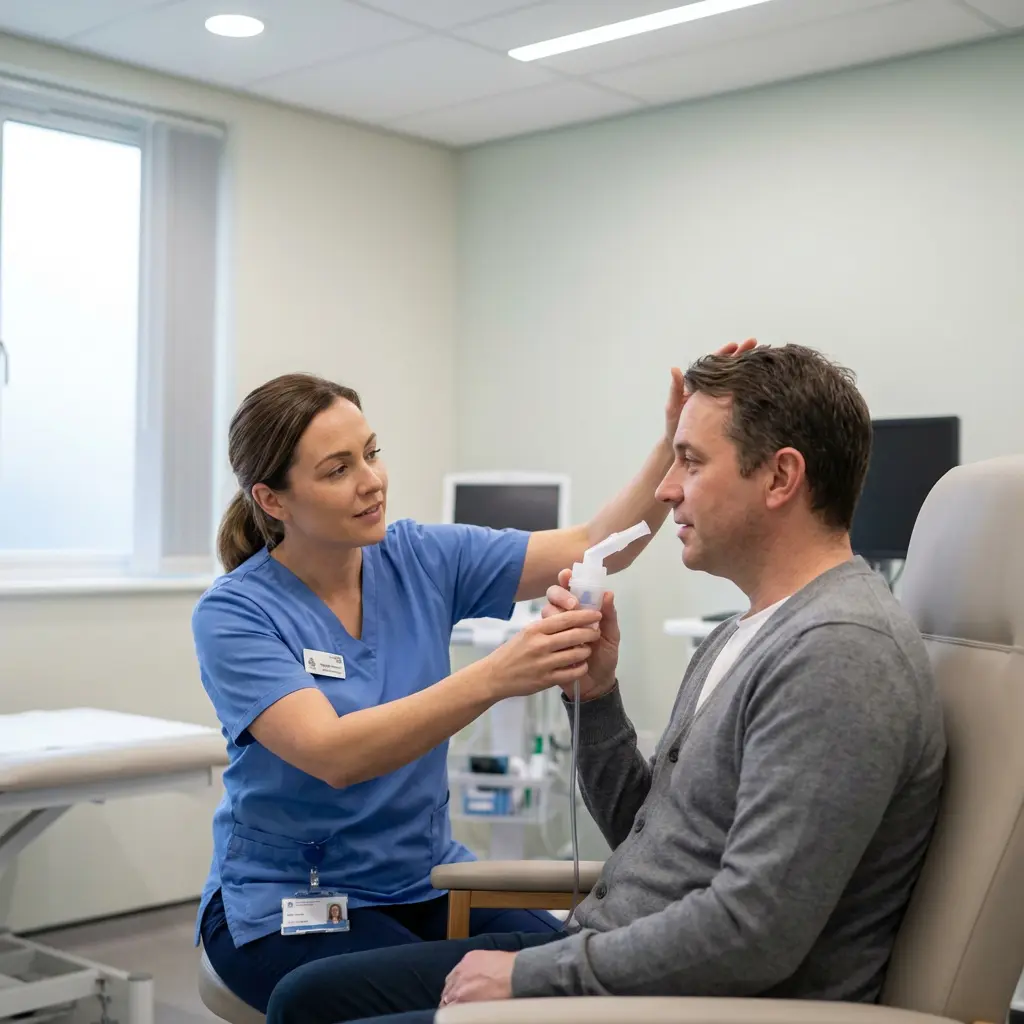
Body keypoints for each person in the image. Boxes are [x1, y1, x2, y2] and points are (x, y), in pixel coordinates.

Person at [264, 344, 946, 1024]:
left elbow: (753, 930)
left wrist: (533, 975)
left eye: (692, 461)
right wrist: (595, 698)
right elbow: (653, 834)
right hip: (618, 953)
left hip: (705, 1002)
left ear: (780, 478)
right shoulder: (741, 635)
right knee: (304, 999)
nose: (667, 489)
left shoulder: (838, 653)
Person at [193, 340, 754, 1012]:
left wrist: (674, 445)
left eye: (372, 453)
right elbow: (335, 755)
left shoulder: (420, 558)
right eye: (338, 469)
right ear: (273, 500)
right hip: (297, 901)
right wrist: (495, 677)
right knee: (416, 1002)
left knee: (573, 985)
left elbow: (595, 544)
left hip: (426, 884)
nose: (371, 480)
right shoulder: (236, 614)